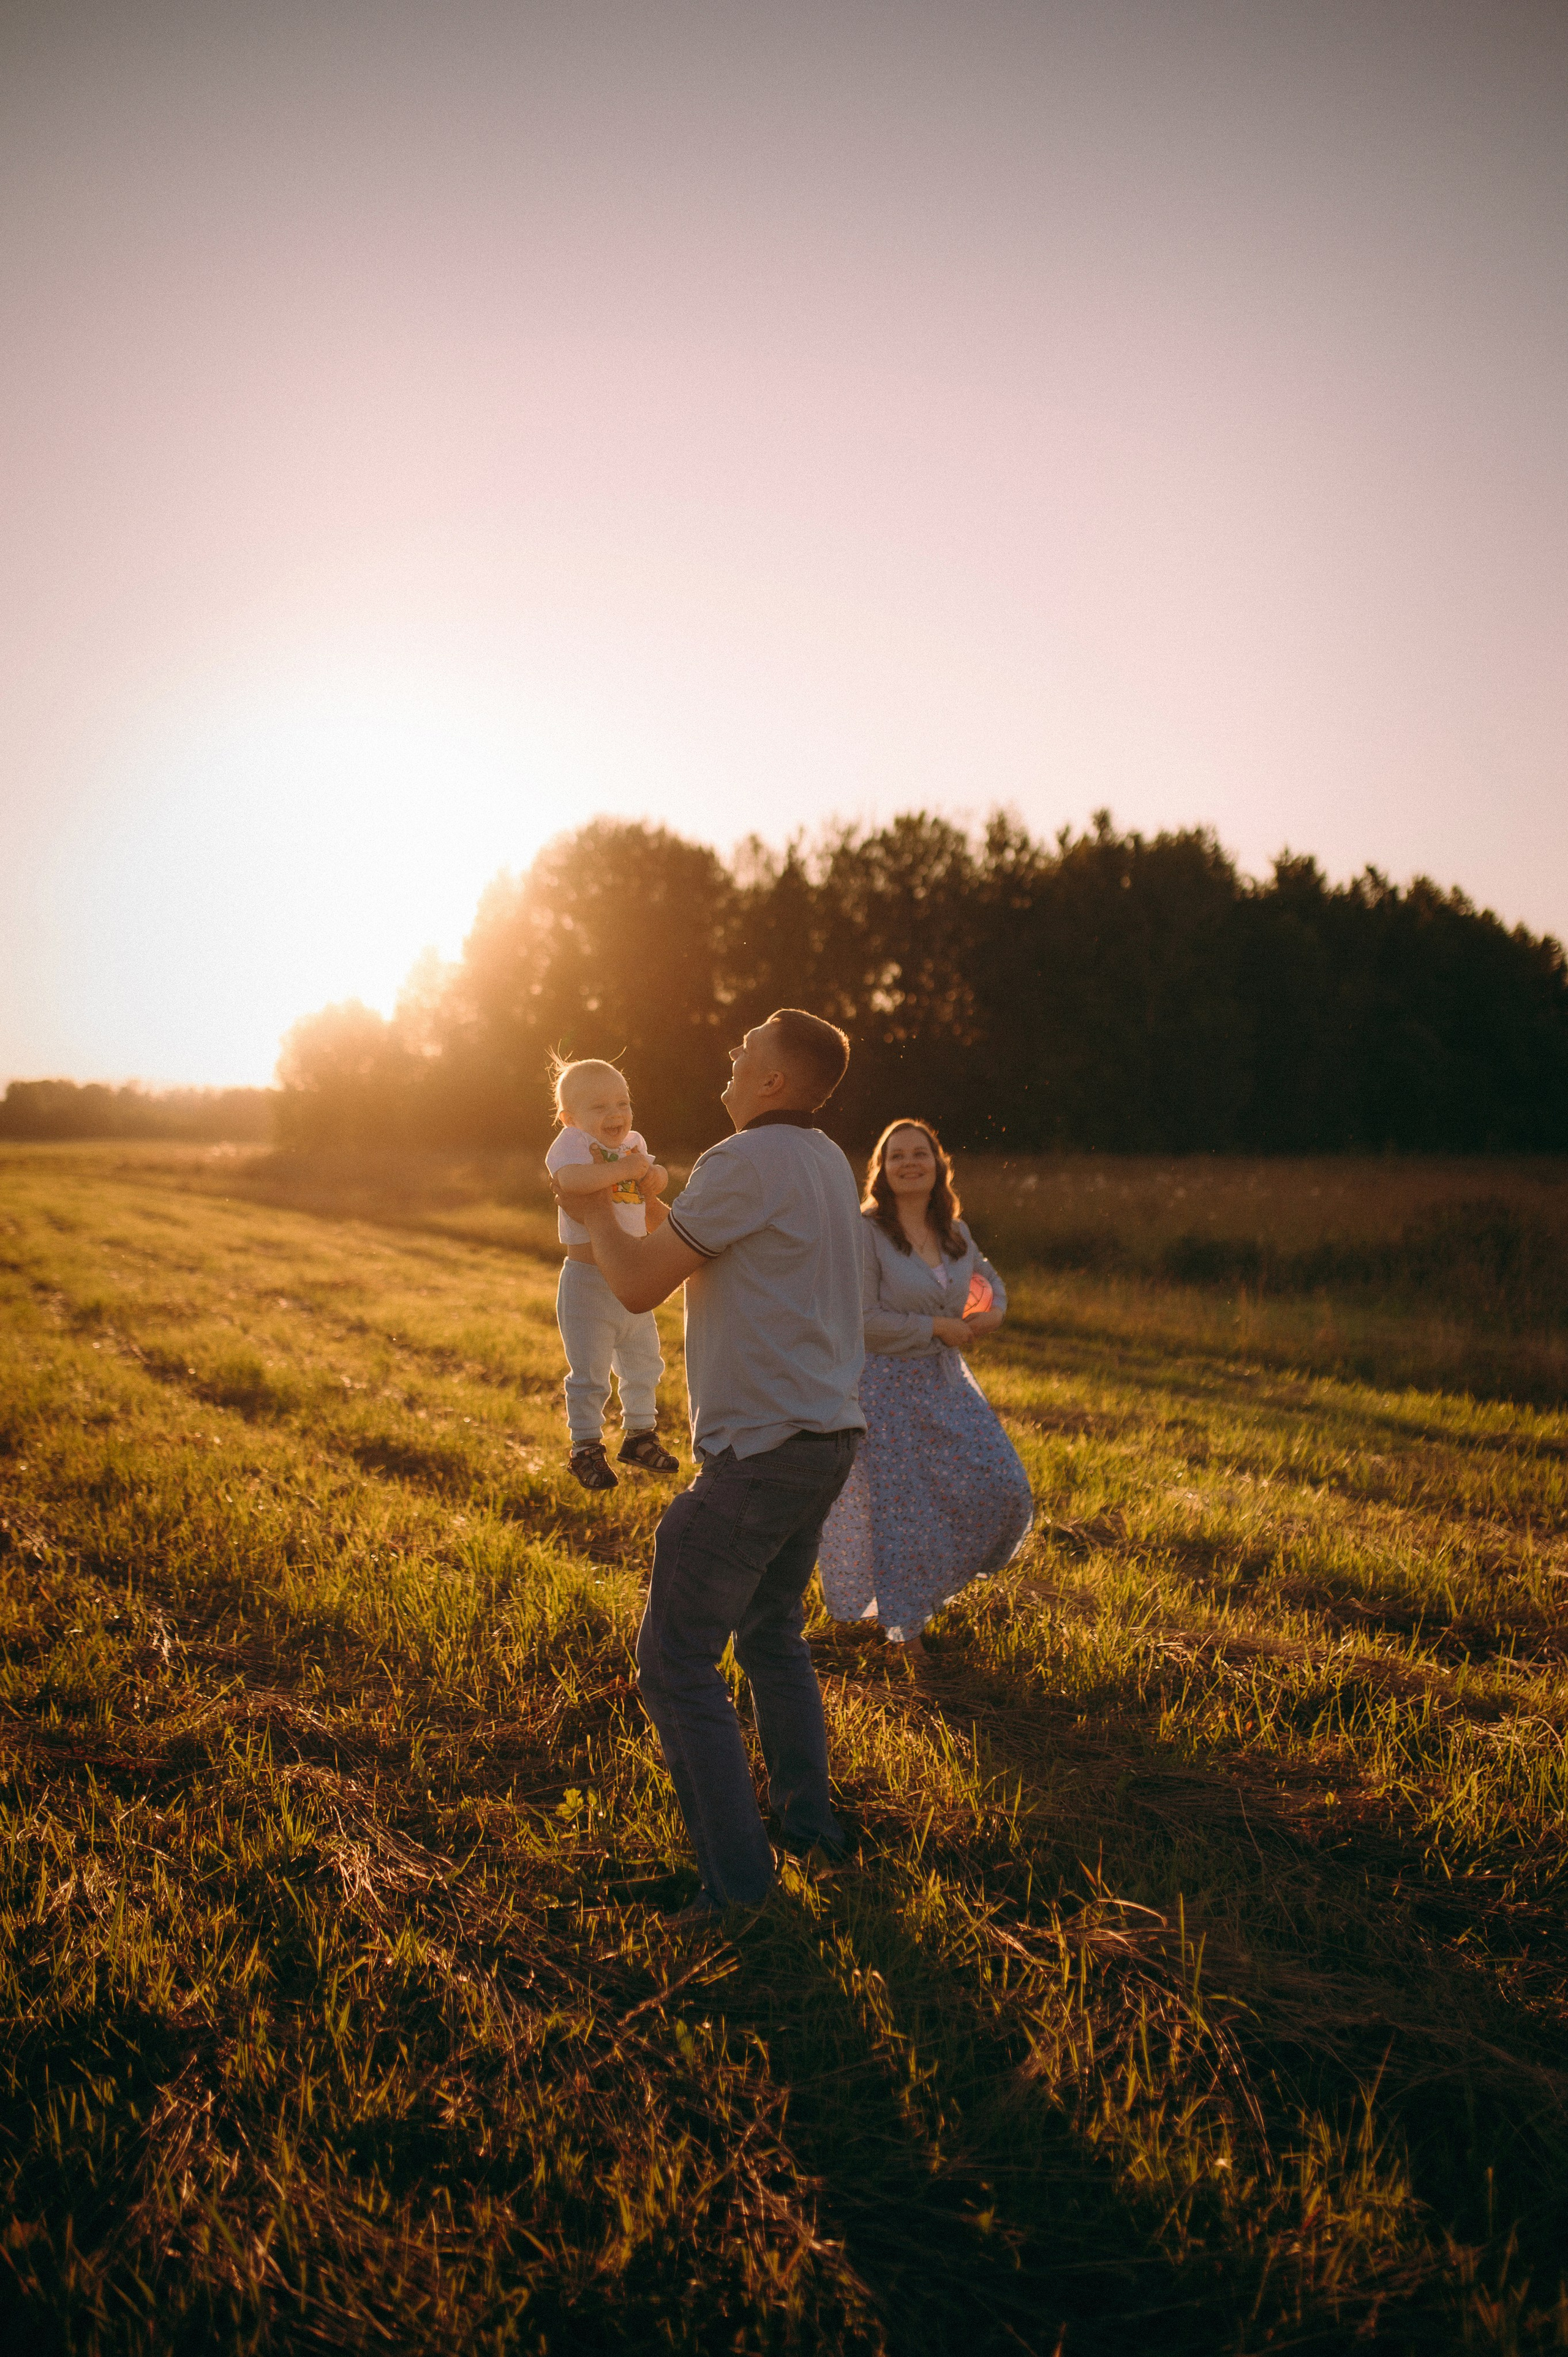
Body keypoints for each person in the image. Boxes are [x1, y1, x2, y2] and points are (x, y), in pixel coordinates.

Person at [561, 1009, 865, 1915]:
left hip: (760, 1454)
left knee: (675, 1664)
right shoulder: (821, 1161)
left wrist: (587, 1211)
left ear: (774, 1081)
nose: (731, 1058)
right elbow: (688, 1237)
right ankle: (809, 1831)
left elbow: (638, 1282)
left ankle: (737, 1890)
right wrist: (637, 1200)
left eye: (747, 1052)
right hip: (824, 1441)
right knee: (772, 1636)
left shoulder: (745, 1160)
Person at [818, 1118, 1033, 1657]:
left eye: (920, 1154)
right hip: (883, 1387)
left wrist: (992, 1315)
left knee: (1004, 1486)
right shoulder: (865, 1230)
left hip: (945, 1379)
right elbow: (861, 1318)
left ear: (938, 1165)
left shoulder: (955, 1231)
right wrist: (937, 1327)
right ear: (881, 1172)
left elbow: (989, 1282)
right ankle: (907, 1636)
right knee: (902, 1510)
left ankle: (929, 1594)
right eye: (897, 1157)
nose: (909, 1163)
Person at [545, 1057, 679, 1490]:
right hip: (586, 1281)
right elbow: (570, 1182)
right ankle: (584, 1446)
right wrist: (623, 1170)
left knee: (644, 1362)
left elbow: (651, 1176)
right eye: (599, 1107)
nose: (615, 1115)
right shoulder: (572, 1145)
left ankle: (640, 1434)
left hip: (632, 1274)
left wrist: (654, 1177)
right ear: (570, 1118)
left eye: (622, 1103)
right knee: (589, 1373)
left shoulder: (632, 1143)